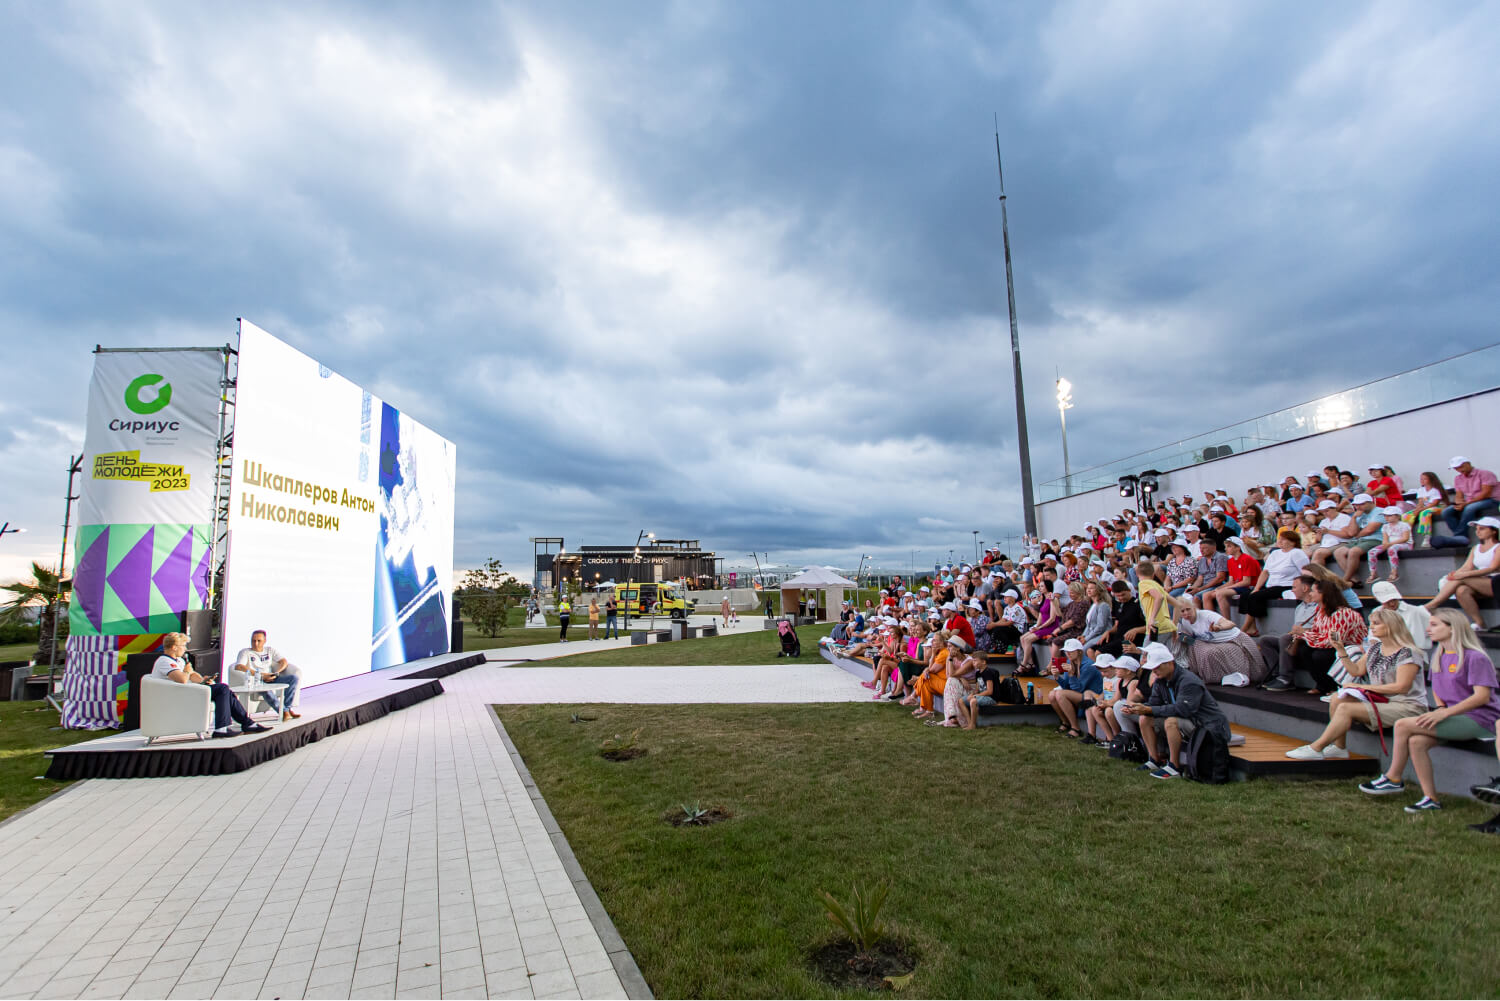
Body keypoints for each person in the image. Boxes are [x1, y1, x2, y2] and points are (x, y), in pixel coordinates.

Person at [1359, 610, 1500, 812]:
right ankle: (1430, 799)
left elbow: (1482, 697)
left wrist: (1443, 713)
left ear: (1452, 627)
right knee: (1416, 742)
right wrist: (1440, 708)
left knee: (1403, 725)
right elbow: (1438, 691)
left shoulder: (1475, 657)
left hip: (1480, 719)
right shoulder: (1439, 655)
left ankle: (1393, 778)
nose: (1428, 629)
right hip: (1454, 717)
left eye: (1434, 625)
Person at [1284, 608, 1428, 760]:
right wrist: (1340, 649)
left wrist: (1362, 687)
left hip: (1407, 705)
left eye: (1376, 624)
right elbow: (1356, 671)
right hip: (1382, 700)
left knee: (1346, 708)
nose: (1371, 627)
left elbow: (1401, 687)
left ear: (1391, 626)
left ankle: (1317, 748)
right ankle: (1339, 747)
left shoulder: (1408, 652)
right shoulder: (1375, 648)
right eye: (1371, 623)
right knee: (1337, 699)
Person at [1120, 642, 1232, 779]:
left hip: (1208, 726)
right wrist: (1138, 709)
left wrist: (1148, 708)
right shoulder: (1161, 680)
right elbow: (1154, 703)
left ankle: (1174, 767)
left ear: (1170, 663)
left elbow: (1183, 710)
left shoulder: (1189, 681)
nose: (1154, 671)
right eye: (1153, 668)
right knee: (1145, 717)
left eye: (1157, 667)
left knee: (1171, 721)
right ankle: (1154, 760)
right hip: (1191, 722)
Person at [1263, 574, 1368, 693]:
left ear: (1323, 594)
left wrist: (1303, 633)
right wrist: (1302, 634)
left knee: (1320, 655)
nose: (1311, 594)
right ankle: (1323, 685)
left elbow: (1333, 641)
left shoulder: (1342, 613)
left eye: (1313, 591)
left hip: (1350, 648)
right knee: (1305, 650)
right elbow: (1317, 632)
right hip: (1331, 645)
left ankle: (1333, 687)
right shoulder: (1321, 612)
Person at [156, 632, 269, 738]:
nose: (185, 649)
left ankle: (247, 723)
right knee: (222, 688)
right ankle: (221, 728)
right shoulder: (165, 661)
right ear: (174, 647)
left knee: (226, 691)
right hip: (178, 696)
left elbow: (192, 675)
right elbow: (182, 679)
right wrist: (186, 671)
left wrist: (203, 680)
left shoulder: (179, 660)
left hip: (188, 691)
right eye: (183, 646)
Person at [1423, 516, 1500, 631]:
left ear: (1494, 531)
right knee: (1461, 590)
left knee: (1462, 579)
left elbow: (1493, 568)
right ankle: (1479, 623)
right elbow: (1466, 567)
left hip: (1495, 582)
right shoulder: (1476, 548)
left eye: (1482, 529)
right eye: (1477, 529)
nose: (1477, 531)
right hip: (1478, 581)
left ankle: (1430, 606)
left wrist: (1463, 575)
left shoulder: (1498, 547)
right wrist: (1453, 575)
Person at [1172, 600, 1268, 685]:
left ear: (1193, 607)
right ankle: (1215, 676)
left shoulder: (1206, 615)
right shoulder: (1185, 623)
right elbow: (1192, 640)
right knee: (1197, 646)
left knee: (1258, 674)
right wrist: (1179, 637)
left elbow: (1231, 624)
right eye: (1182, 611)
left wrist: (1218, 627)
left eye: (1188, 609)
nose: (1186, 613)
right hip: (1214, 642)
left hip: (1235, 638)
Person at [1238, 529, 1310, 636]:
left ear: (1293, 542)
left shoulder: (1297, 553)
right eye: (1279, 539)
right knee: (1245, 595)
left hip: (1286, 585)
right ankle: (1252, 628)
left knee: (1255, 597)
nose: (1280, 541)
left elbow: (1306, 571)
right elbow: (1265, 572)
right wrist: (1257, 588)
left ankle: (1244, 629)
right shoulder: (1275, 553)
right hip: (1271, 585)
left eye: (1284, 539)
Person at [1433, 456, 1500, 549]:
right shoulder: (1458, 478)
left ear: (1468, 464)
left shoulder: (1485, 474)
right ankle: (1461, 537)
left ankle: (1459, 537)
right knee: (1446, 512)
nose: (1458, 470)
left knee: (1470, 508)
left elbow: (1486, 493)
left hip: (1491, 500)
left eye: (1460, 467)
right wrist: (1459, 503)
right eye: (1456, 468)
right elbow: (1459, 495)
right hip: (1471, 502)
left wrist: (1466, 504)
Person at [233, 629, 302, 719]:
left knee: (293, 678)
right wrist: (261, 675)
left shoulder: (270, 650)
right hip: (258, 680)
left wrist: (276, 672)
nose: (256, 643)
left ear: (264, 641)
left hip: (271, 677)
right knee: (265, 688)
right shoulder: (245, 652)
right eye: (253, 641)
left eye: (259, 641)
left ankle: (287, 709)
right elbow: (239, 666)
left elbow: (283, 661)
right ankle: (283, 712)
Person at [1045, 639, 1102, 738]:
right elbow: (1067, 687)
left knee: (1059, 694)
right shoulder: (1069, 662)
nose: (1068, 654)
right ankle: (1066, 722)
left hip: (1092, 696)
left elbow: (1078, 689)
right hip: (1080, 694)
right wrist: (1057, 677)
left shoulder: (1088, 665)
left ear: (1079, 651)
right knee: (1052, 694)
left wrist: (1071, 675)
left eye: (1071, 651)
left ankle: (1075, 728)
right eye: (1066, 651)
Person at [1331, 493, 1383, 582]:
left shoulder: (1379, 511)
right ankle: (1354, 579)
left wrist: (1357, 535)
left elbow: (1369, 530)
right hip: (1360, 540)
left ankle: (1345, 580)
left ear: (1370, 502)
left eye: (1362, 504)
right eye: (1356, 505)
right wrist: (1354, 517)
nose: (1358, 507)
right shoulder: (1359, 514)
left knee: (1353, 552)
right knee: (1338, 552)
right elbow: (1351, 532)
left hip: (1376, 539)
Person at [1371, 581, 1431, 654]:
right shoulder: (1376, 612)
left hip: (1414, 654)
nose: (1392, 604)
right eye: (1387, 601)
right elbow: (1373, 637)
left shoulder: (1416, 611)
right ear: (1376, 599)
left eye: (1394, 599)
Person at [1404, 470, 1446, 546]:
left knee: (1425, 513)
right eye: (1421, 479)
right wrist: (1417, 509)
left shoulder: (1435, 490)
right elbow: (1420, 502)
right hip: (1424, 507)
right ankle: (1408, 537)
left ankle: (1427, 537)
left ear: (1431, 479)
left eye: (1424, 479)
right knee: (1406, 515)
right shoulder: (1421, 490)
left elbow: (1434, 503)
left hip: (1437, 507)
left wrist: (1421, 510)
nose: (1422, 481)